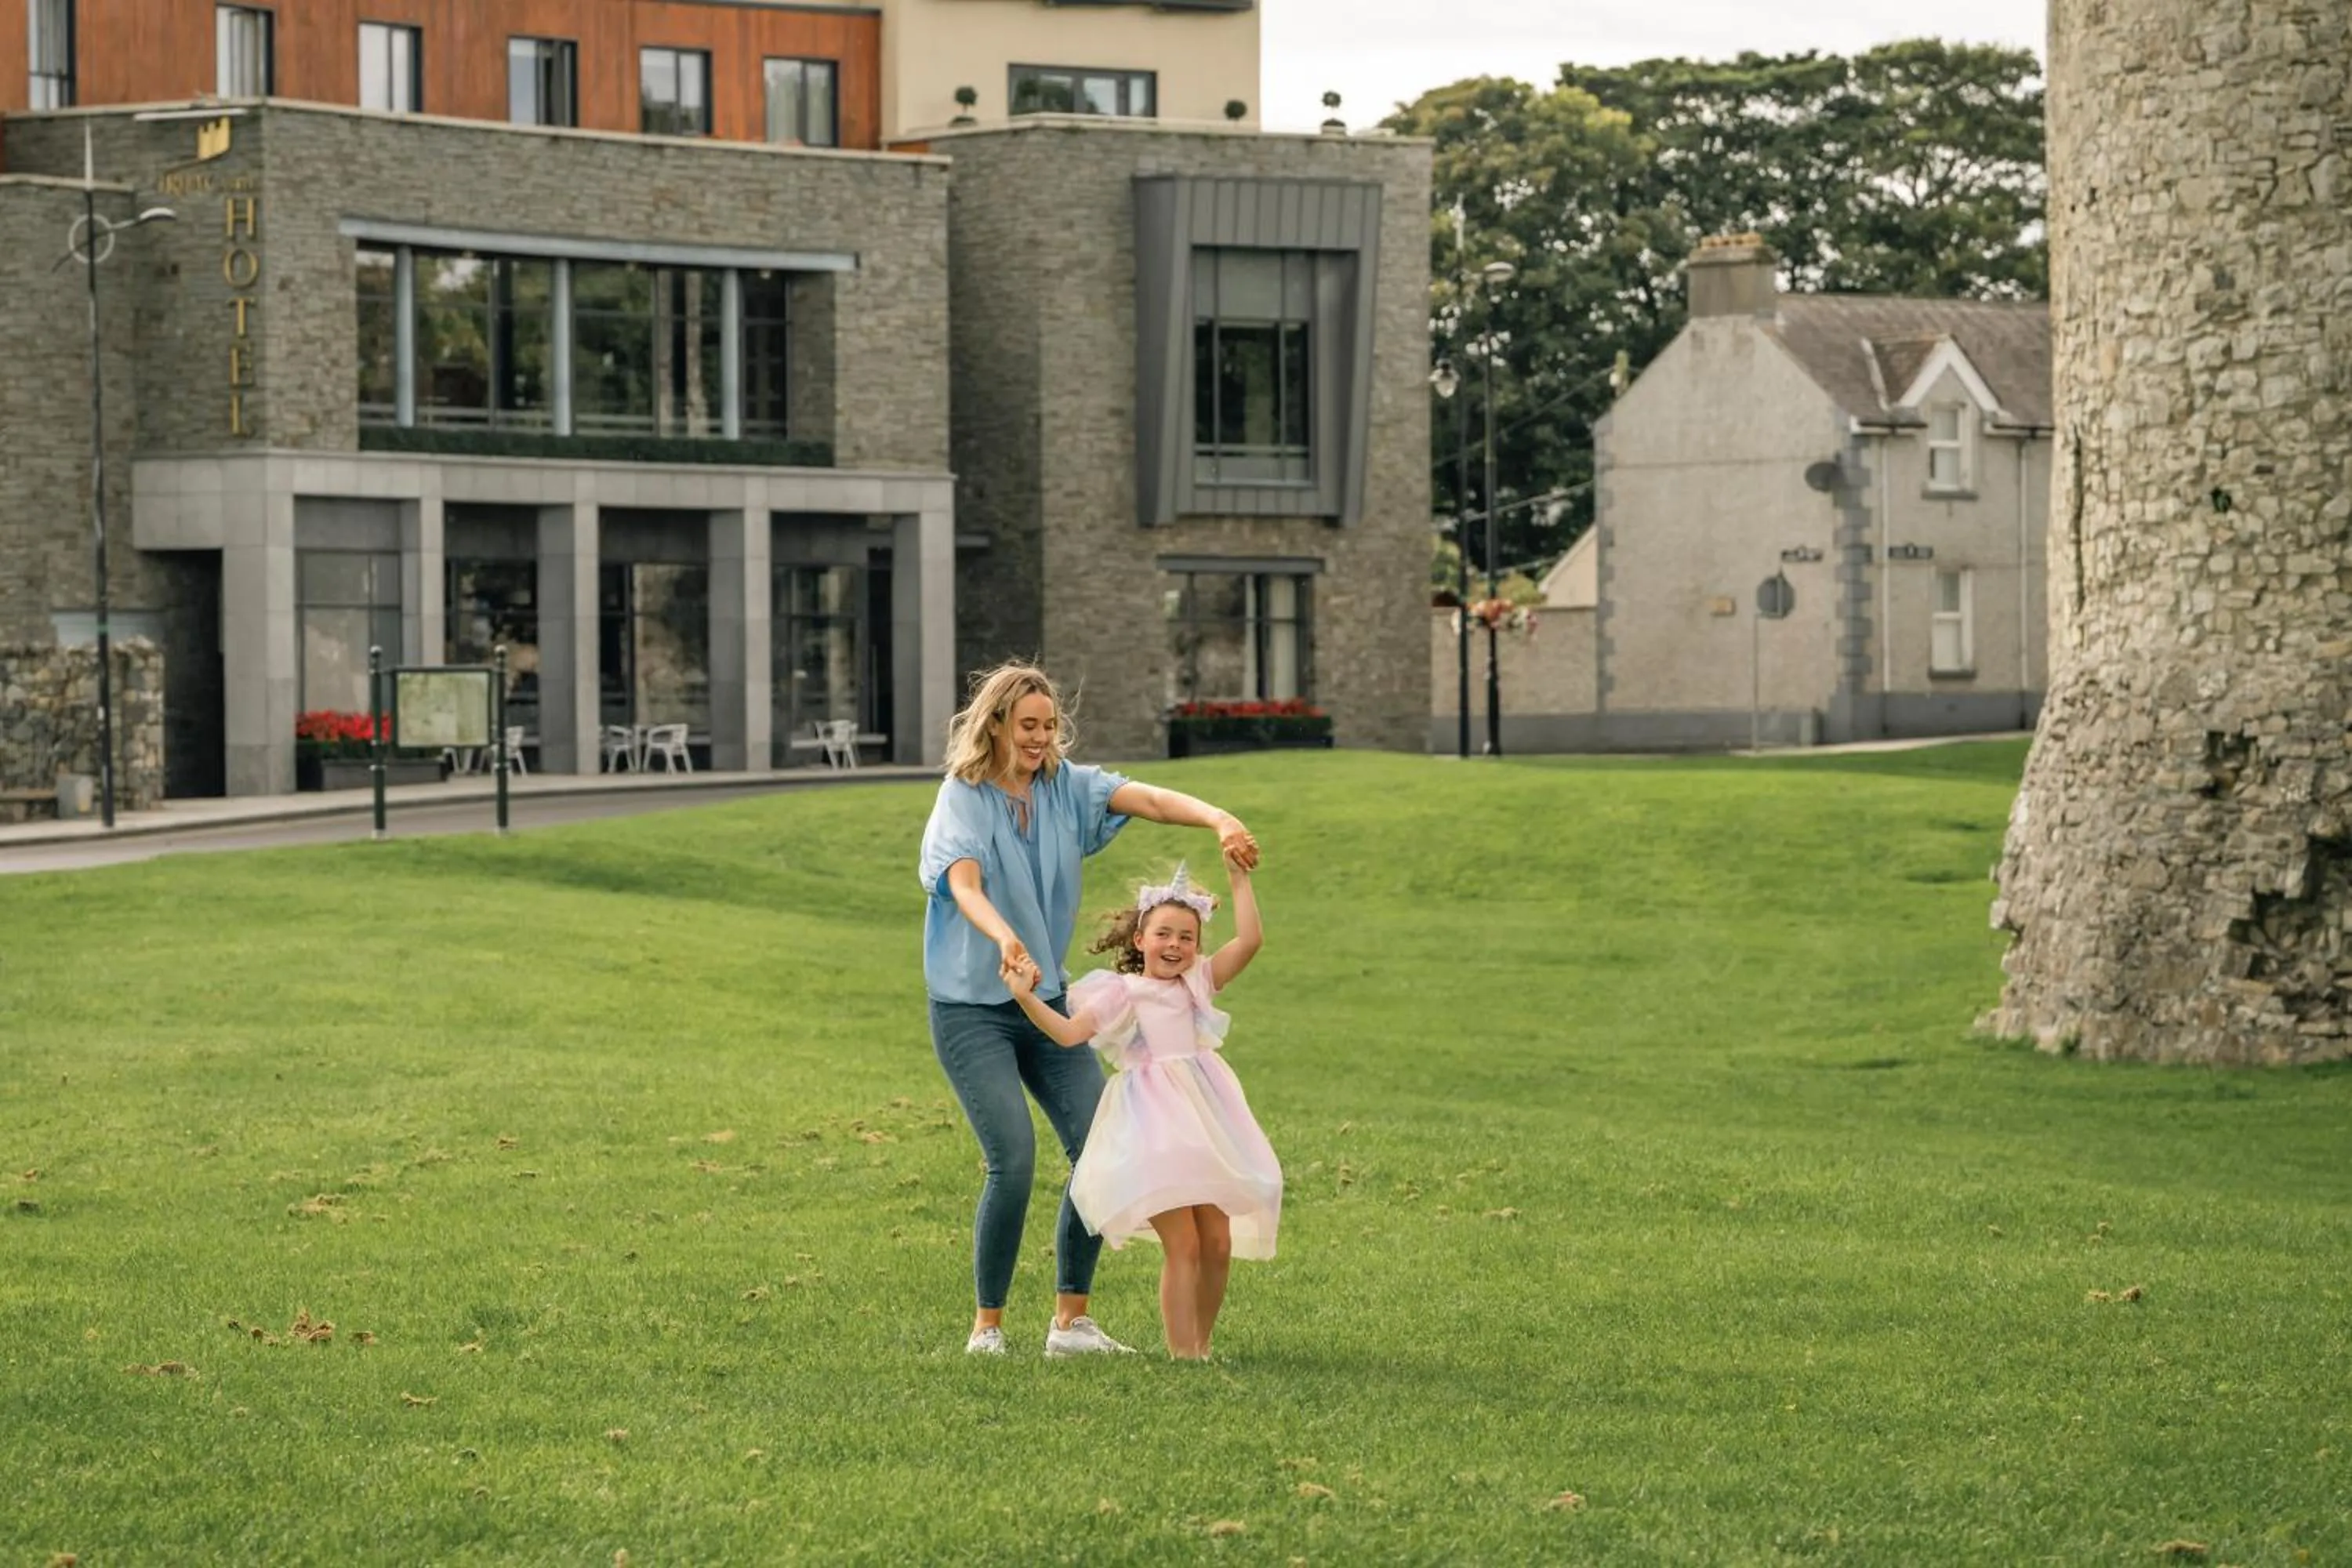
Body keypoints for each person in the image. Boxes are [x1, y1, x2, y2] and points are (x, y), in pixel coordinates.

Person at [916, 662, 1259, 1357]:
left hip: (1048, 1000)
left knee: (1098, 1154)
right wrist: (1005, 937)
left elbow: (1151, 799)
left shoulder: (1067, 788)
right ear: (996, 725)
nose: (1041, 738)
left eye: (1049, 726)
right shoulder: (964, 795)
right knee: (1013, 1158)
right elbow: (965, 883)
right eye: (1028, 725)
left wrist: (1217, 817)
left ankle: (1070, 1323)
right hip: (971, 1009)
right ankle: (988, 1328)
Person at [1004, 855, 1281, 1361]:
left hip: (1207, 1123)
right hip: (1155, 1128)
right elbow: (1068, 1034)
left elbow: (1250, 941)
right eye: (1163, 934)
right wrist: (1026, 998)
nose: (1175, 945)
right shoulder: (1123, 993)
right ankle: (1183, 1355)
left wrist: (1238, 877)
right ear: (1140, 940)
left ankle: (1201, 1347)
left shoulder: (1197, 983)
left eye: (1186, 937)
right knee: (1185, 1245)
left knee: (1217, 1243)